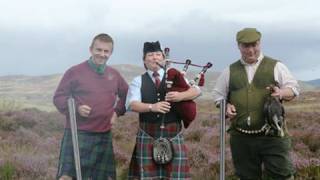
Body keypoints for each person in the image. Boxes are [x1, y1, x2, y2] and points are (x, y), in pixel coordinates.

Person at [213, 28, 299, 180]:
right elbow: (218, 96)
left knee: (282, 176)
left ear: (260, 43)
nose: (251, 50)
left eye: (255, 45)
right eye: (246, 46)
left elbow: (293, 88)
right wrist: (225, 105)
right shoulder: (229, 71)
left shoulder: (276, 66)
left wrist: (281, 93)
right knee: (246, 177)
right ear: (238, 46)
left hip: (273, 136)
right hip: (241, 138)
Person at [53, 33, 128, 180]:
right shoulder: (74, 72)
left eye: (106, 51)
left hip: (103, 134)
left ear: (111, 53)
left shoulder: (114, 75)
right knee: (67, 177)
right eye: (98, 50)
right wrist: (76, 108)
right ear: (91, 50)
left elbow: (127, 95)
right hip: (78, 133)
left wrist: (117, 112)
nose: (102, 54)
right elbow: (59, 98)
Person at [126, 41, 201, 179]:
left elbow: (196, 91)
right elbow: (133, 104)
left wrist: (181, 96)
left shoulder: (176, 75)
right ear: (144, 60)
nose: (155, 58)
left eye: (158, 54)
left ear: (164, 58)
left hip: (173, 135)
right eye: (150, 55)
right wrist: (152, 107)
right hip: (148, 135)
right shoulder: (138, 81)